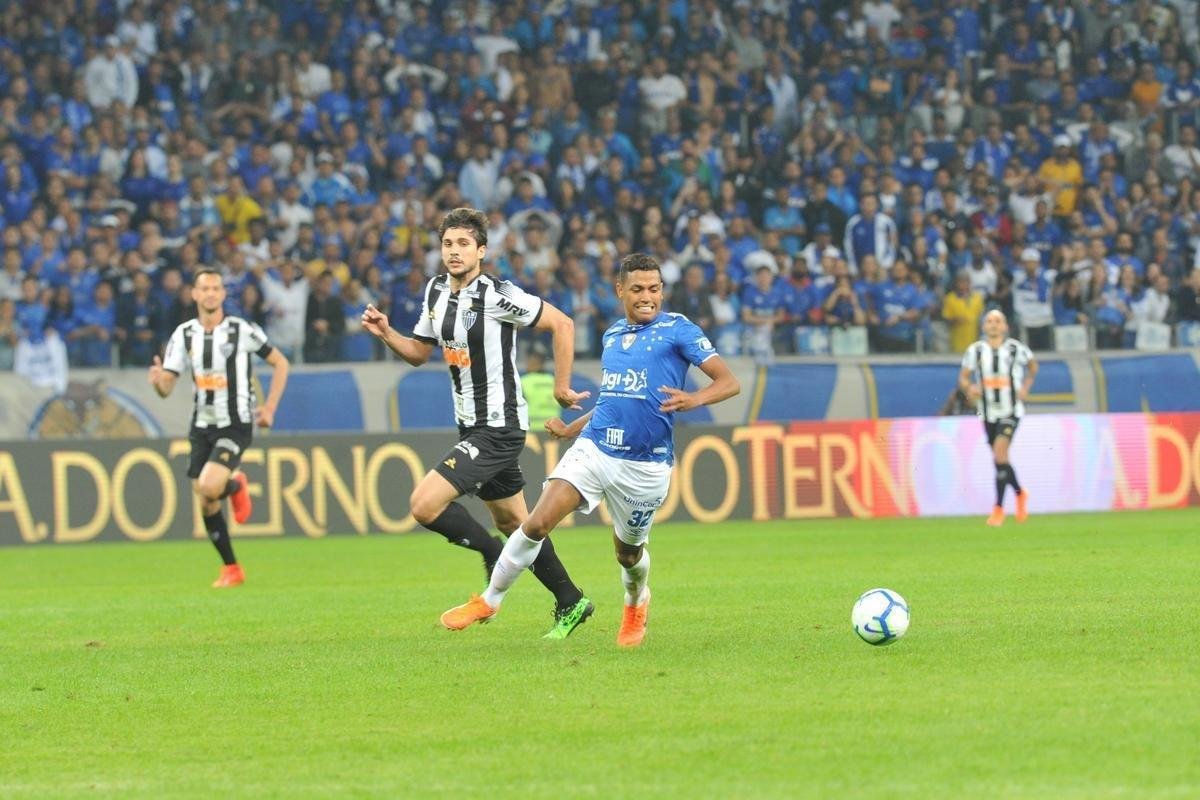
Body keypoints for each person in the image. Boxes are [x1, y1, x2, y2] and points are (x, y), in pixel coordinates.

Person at [440, 253, 741, 647]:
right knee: (535, 523)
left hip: (644, 465)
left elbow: (729, 382)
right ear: (620, 291)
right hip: (595, 448)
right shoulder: (613, 334)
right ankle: (490, 599)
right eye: (637, 289)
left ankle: (636, 601)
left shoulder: (678, 330)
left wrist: (694, 399)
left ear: (662, 291)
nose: (647, 296)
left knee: (628, 555)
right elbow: (614, 397)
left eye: (654, 289)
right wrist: (570, 428)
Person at [360, 207, 595, 639]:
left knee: (424, 504)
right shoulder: (434, 292)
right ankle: (571, 600)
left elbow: (562, 323)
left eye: (463, 244)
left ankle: (491, 556)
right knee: (516, 523)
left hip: (498, 426)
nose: (454, 251)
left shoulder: (497, 294)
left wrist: (563, 386)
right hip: (471, 426)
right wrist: (387, 333)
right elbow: (418, 352)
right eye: (448, 243)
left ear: (481, 251)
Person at [148, 268, 291, 587]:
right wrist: (158, 382)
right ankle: (232, 568)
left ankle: (235, 484)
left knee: (210, 486)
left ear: (223, 294)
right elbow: (167, 387)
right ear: (195, 295)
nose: (211, 293)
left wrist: (269, 408)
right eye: (204, 288)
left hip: (236, 422)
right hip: (202, 425)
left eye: (216, 288)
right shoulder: (184, 335)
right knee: (206, 498)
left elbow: (280, 362)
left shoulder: (242, 330)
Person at [958, 310, 1038, 527]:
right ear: (984, 327)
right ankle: (1020, 494)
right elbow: (963, 377)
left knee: (1000, 452)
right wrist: (970, 388)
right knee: (999, 459)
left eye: (998, 321)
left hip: (1011, 410)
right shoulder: (975, 351)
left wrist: (1025, 388)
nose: (994, 325)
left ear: (1005, 327)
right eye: (990, 321)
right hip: (987, 412)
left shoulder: (1015, 348)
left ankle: (998, 510)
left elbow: (1033, 366)